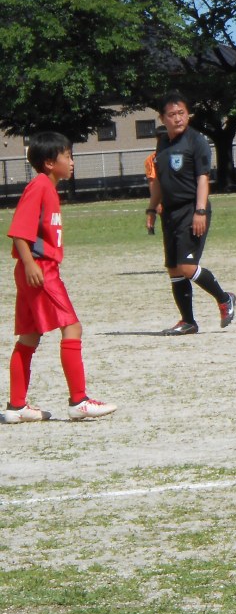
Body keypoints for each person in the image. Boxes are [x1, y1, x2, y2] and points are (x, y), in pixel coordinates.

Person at [4, 133, 116, 424]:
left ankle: (16, 406)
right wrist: (30, 264)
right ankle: (79, 400)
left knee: (29, 336)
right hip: (40, 270)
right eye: (67, 156)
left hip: (34, 269)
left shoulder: (48, 188)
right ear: (49, 163)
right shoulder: (40, 185)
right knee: (72, 327)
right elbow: (18, 232)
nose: (72, 161)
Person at [146, 91, 236, 335]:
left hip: (191, 209)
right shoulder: (163, 142)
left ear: (188, 114)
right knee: (174, 269)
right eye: (171, 114)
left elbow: (202, 179)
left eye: (181, 113)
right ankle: (188, 322)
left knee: (186, 267)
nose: (177, 118)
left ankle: (224, 298)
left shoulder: (196, 141)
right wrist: (152, 208)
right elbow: (159, 181)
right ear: (162, 118)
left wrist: (200, 211)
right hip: (170, 212)